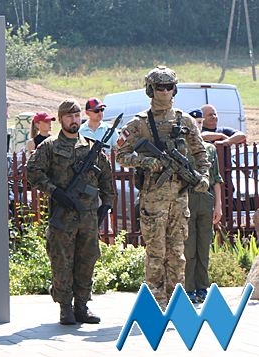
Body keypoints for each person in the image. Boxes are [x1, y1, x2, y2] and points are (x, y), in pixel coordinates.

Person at [115, 66, 210, 309]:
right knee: (156, 254)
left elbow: (200, 152)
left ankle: (175, 303)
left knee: (178, 255)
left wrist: (204, 176)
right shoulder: (139, 124)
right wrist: (148, 162)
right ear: (151, 90)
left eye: (169, 87)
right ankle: (156, 303)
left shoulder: (184, 120)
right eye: (160, 87)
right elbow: (121, 155)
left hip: (179, 199)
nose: (165, 92)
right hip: (153, 199)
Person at [26, 99, 115, 325]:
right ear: (61, 119)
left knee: (87, 260)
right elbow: (33, 173)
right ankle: (65, 308)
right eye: (69, 116)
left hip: (88, 217)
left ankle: (82, 307)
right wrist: (55, 192)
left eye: (76, 116)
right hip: (63, 215)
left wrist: (106, 203)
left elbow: (106, 176)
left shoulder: (90, 146)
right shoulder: (50, 146)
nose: (74, 120)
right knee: (61, 262)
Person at [185, 109, 223, 304]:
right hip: (188, 198)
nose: (198, 126)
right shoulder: (183, 147)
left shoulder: (209, 149)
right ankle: (189, 287)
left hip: (205, 199)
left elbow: (216, 178)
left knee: (203, 245)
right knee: (189, 246)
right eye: (195, 123)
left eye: (201, 122)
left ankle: (202, 286)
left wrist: (218, 205)